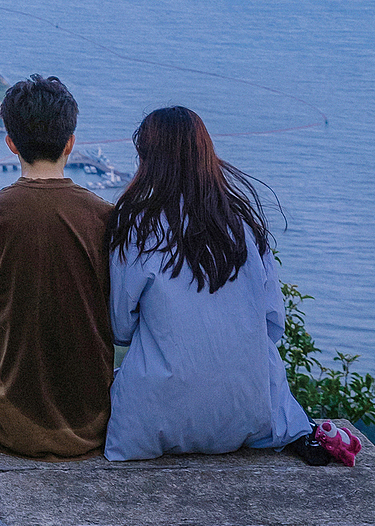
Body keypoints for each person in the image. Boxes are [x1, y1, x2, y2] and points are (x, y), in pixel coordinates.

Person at [104, 106, 312, 461]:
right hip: (248, 411)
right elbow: (273, 323)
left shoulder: (137, 228)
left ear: (148, 160)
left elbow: (121, 328)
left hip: (154, 416)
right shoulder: (245, 228)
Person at [0, 73, 114, 458]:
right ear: (70, 143)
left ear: (11, 143)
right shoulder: (108, 217)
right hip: (92, 422)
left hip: (9, 421)